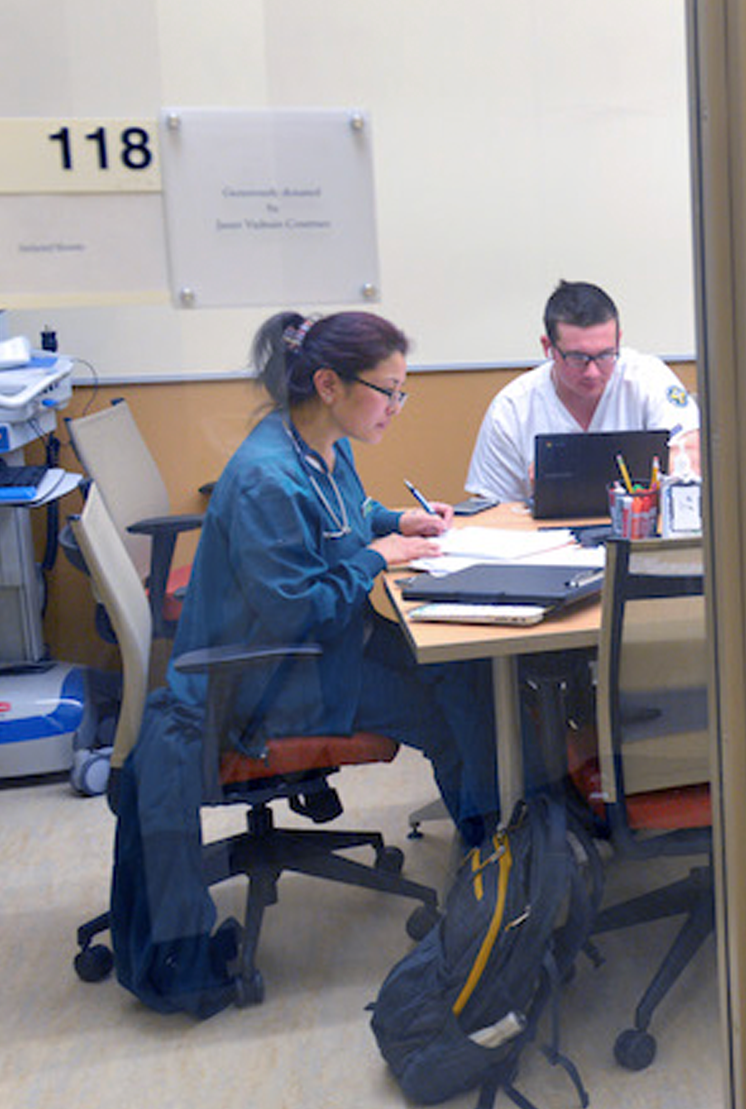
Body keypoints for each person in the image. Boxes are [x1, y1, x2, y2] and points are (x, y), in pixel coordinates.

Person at [110, 310, 499, 1016]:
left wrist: (392, 523)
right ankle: (488, 870)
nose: (397, 407)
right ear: (328, 383)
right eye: (389, 391)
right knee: (457, 703)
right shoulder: (267, 479)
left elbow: (346, 513)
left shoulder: (319, 443)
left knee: (465, 676)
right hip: (268, 683)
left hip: (316, 651)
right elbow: (294, 610)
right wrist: (376, 558)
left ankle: (490, 852)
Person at [465, 280, 701, 504]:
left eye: (605, 355)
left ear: (618, 341)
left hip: (637, 532)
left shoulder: (647, 377)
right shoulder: (512, 409)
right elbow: (493, 509)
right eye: (577, 358)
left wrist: (572, 478)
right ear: (548, 347)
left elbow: (692, 454)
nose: (592, 372)